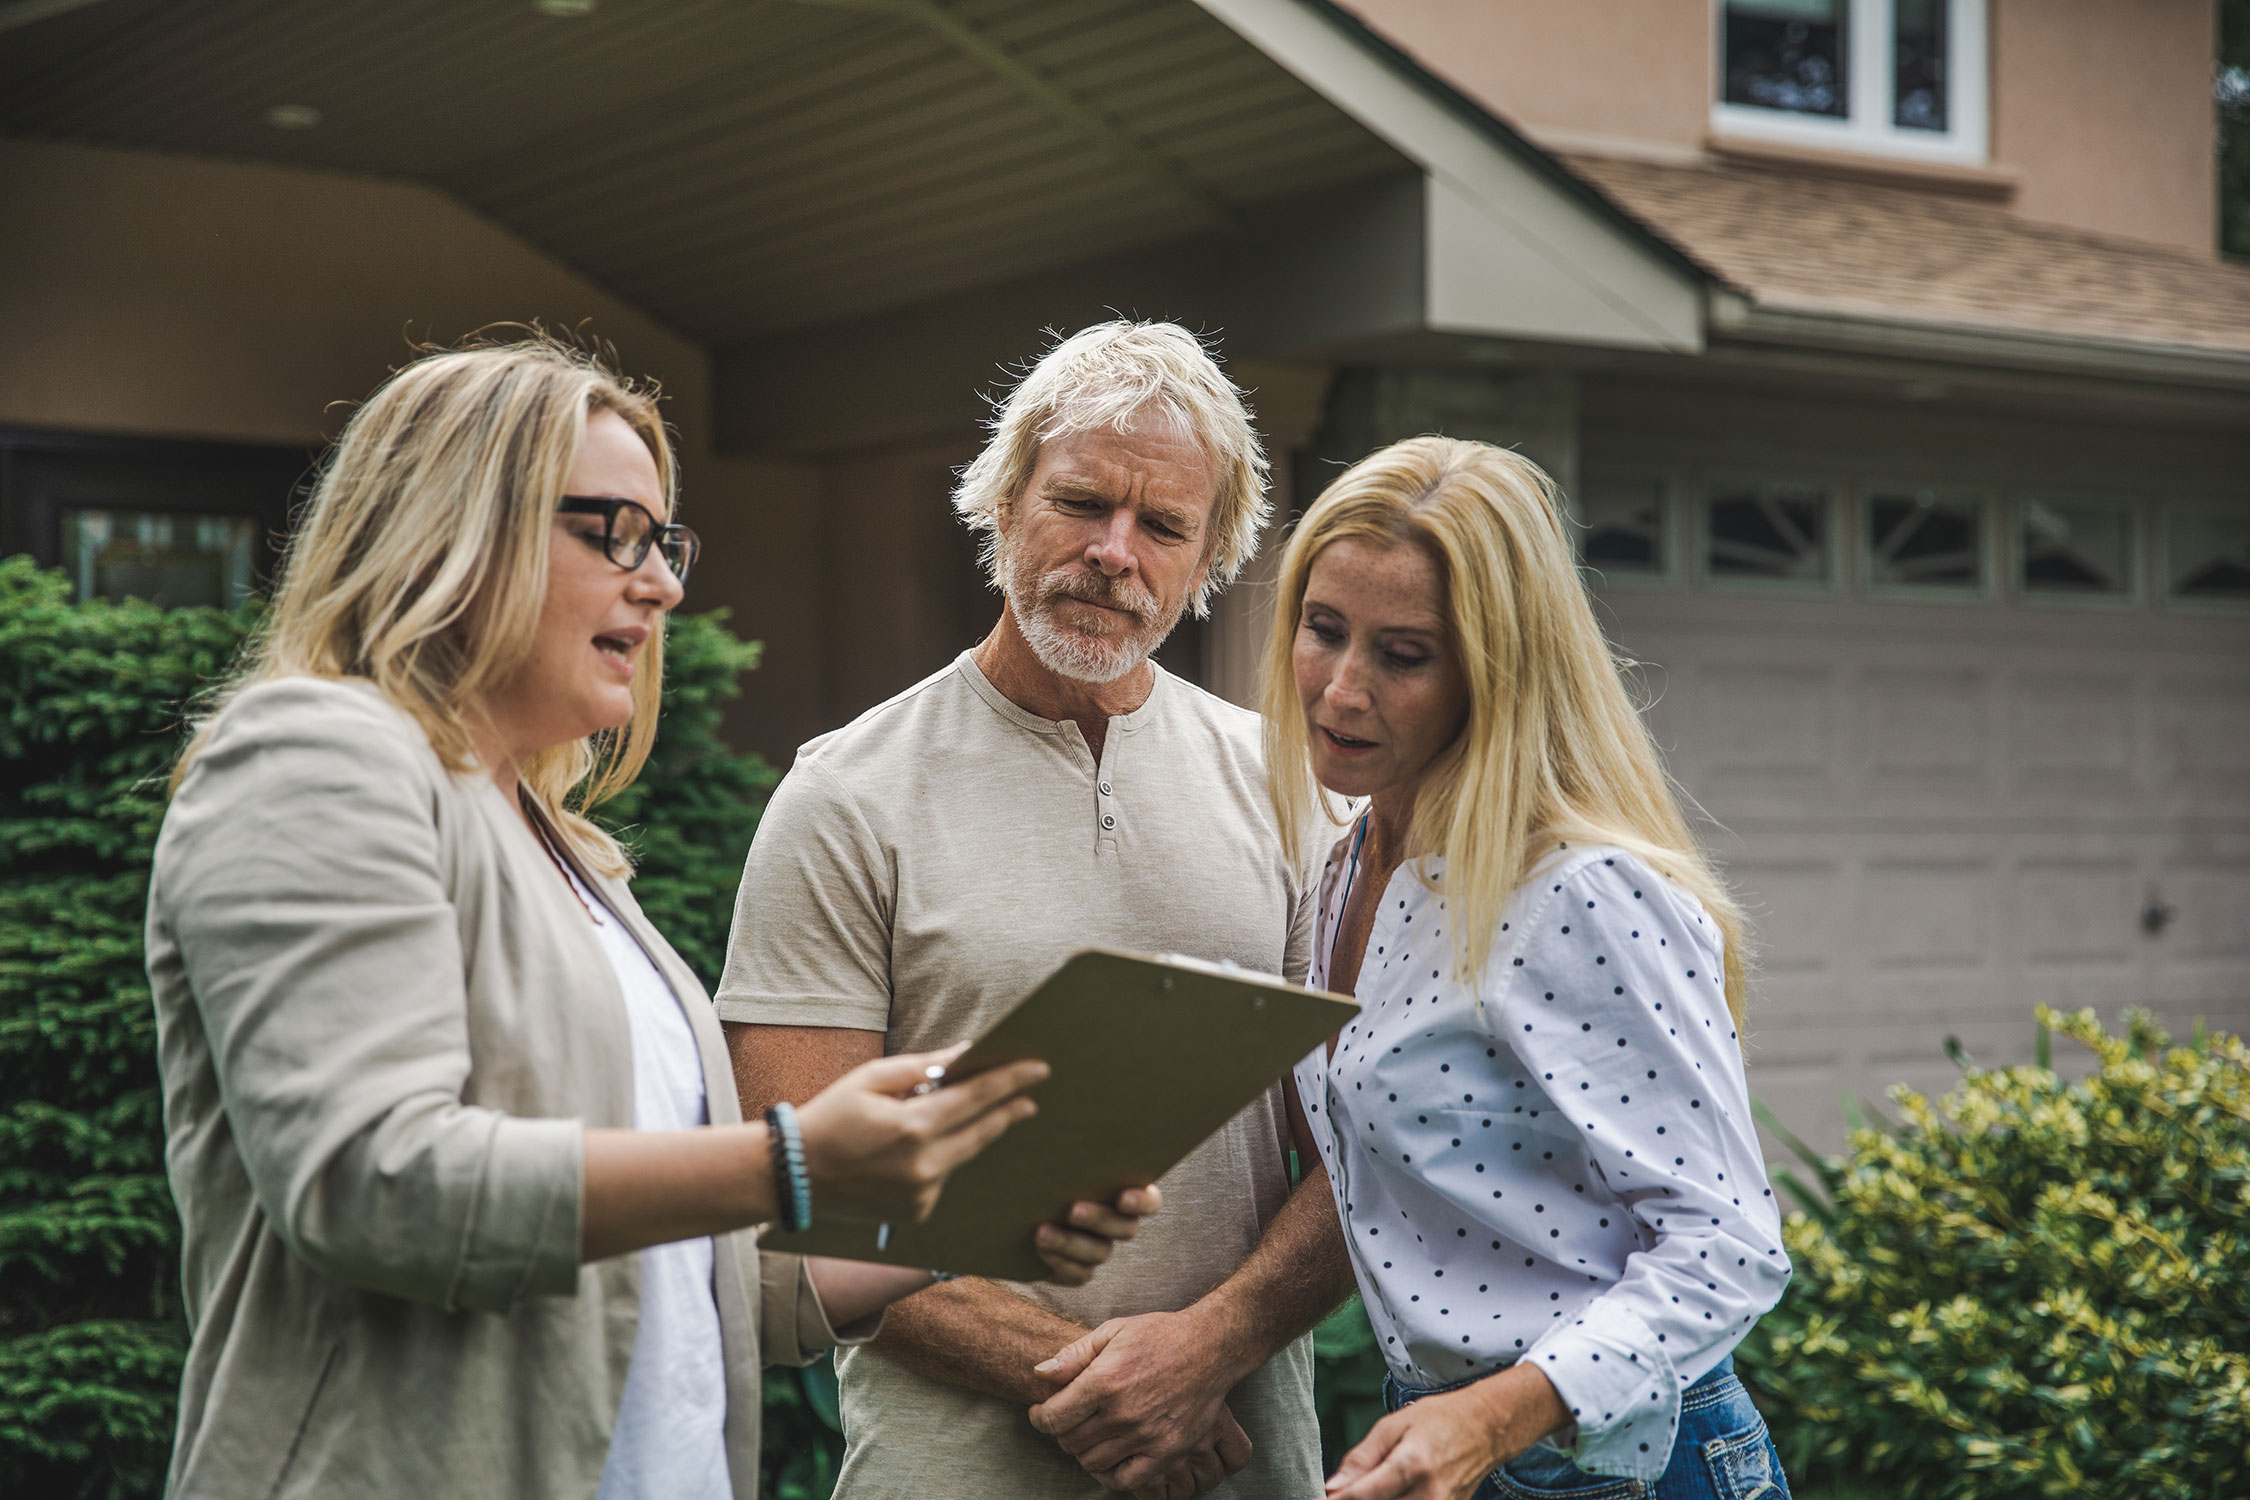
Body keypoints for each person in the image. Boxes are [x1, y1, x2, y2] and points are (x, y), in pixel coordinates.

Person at [145, 335, 1154, 1500]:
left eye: (663, 542)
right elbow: (373, 1183)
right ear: (456, 525)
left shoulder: (568, 849)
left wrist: (971, 1217)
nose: (664, 584)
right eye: (612, 532)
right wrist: (788, 1165)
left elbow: (704, 1280)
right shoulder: (317, 755)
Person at [716, 320, 1355, 1500]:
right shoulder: (847, 795)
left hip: (1240, 1459)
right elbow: (801, 1197)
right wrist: (1111, 1386)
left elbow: (1365, 1150)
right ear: (1006, 502)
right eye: (1082, 502)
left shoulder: (1291, 793)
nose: (1116, 551)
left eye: (1163, 526)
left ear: (1208, 557)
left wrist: (1208, 1350)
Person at [1264, 437, 1794, 1500]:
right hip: (1443, 1441)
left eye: (1403, 655)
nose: (1342, 688)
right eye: (1324, 632)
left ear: (1494, 671)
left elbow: (1728, 1245)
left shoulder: (1577, 891)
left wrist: (1490, 1420)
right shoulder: (1343, 869)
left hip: (1621, 1462)